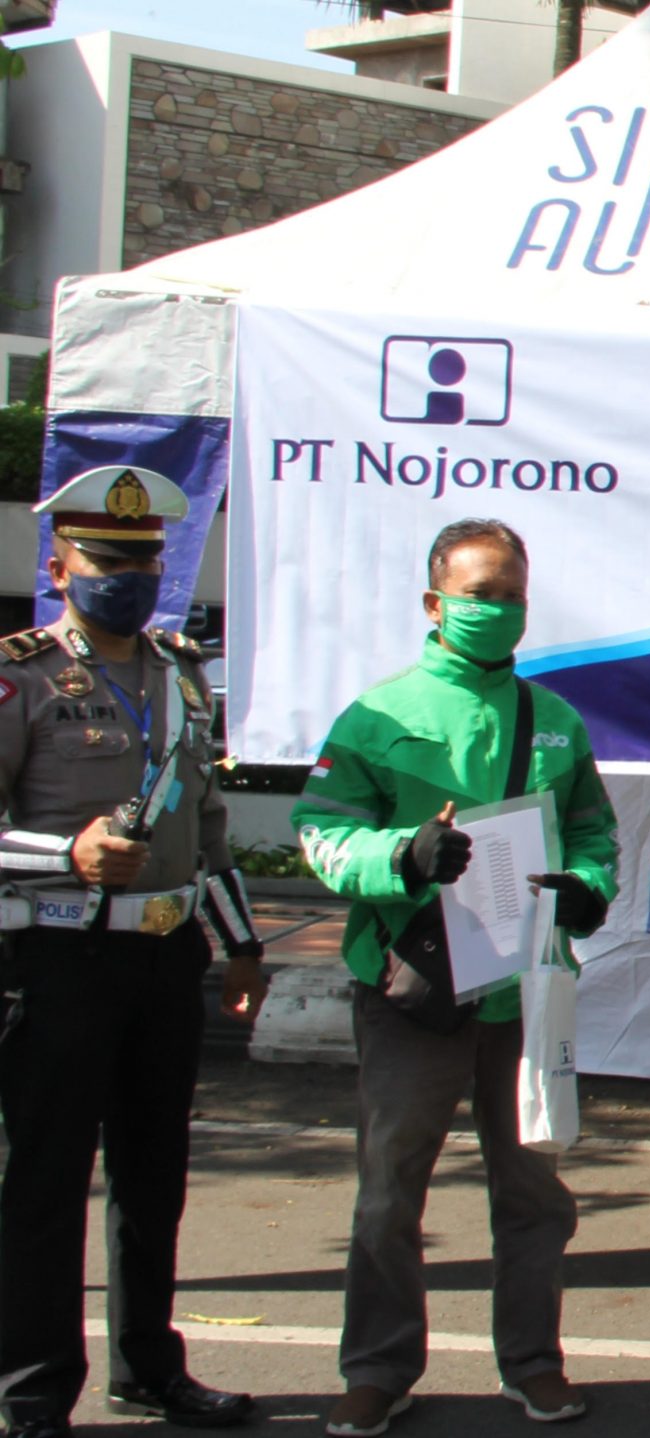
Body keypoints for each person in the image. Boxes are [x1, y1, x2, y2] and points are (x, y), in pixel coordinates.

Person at [294, 518, 620, 1437]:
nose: (498, 609)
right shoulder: (377, 716)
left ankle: (533, 1363)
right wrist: (401, 854)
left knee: (535, 1194)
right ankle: (378, 1369)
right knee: (390, 1192)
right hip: (414, 992)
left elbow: (592, 830)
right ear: (435, 603)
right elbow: (322, 832)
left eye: (513, 595)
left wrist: (587, 887)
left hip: (525, 994)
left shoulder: (555, 721)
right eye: (480, 594)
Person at [0, 466, 268, 1438]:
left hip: (164, 960)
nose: (128, 578)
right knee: (46, 1182)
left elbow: (206, 826)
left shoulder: (179, 673)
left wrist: (242, 945)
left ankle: (150, 1368)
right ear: (58, 567)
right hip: (58, 962)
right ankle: (32, 1390)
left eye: (145, 562)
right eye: (107, 561)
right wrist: (62, 853)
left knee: (154, 1178)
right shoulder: (22, 677)